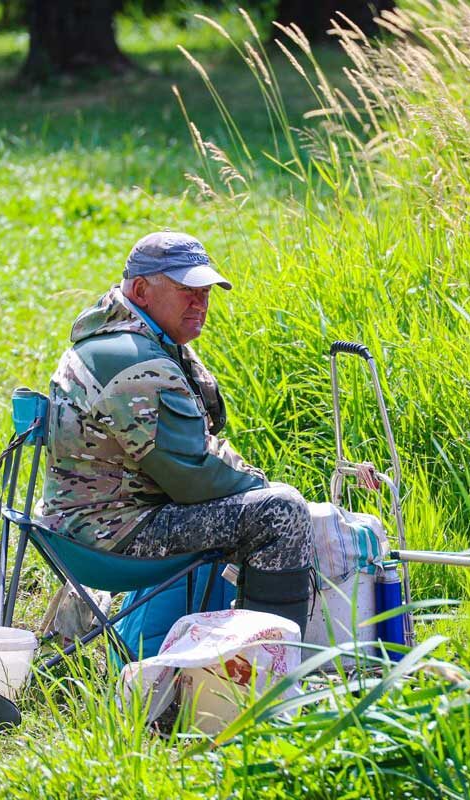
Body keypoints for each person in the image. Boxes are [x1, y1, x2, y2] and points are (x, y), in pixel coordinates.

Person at [38, 231, 314, 636]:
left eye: (205, 292)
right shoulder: (131, 359)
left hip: (92, 521)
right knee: (280, 512)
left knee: (260, 504)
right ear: (141, 290)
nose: (200, 303)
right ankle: (270, 668)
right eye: (186, 289)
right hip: (108, 535)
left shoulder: (134, 341)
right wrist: (262, 485)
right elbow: (193, 474)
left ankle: (218, 655)